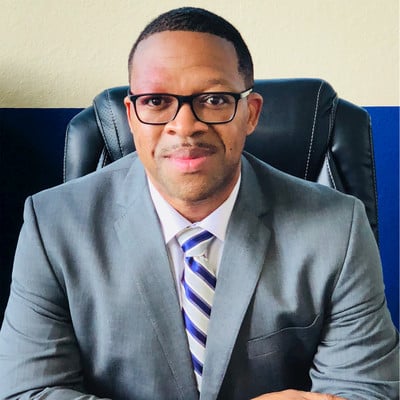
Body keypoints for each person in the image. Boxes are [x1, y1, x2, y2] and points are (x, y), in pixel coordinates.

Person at [0, 6, 398, 400]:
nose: (185, 126)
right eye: (157, 101)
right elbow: (29, 391)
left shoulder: (337, 228)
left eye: (214, 99)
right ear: (132, 117)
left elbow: (365, 391)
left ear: (250, 113)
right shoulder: (53, 225)